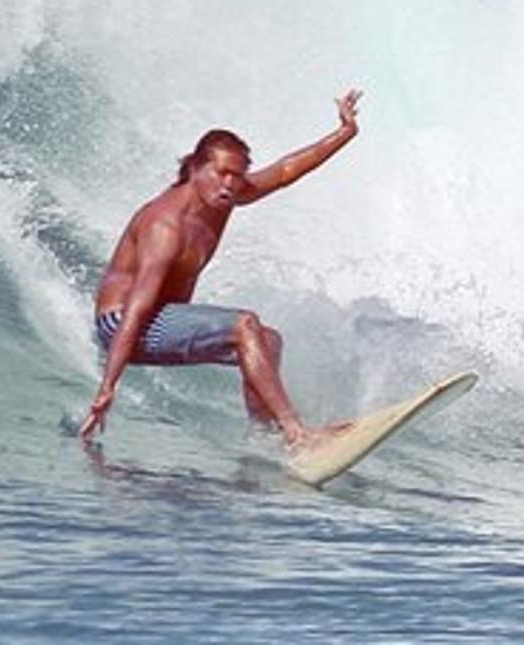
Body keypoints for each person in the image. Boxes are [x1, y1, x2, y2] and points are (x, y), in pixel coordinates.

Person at [79, 89, 363, 447]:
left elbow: (284, 171)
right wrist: (108, 387)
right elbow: (137, 306)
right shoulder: (165, 226)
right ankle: (297, 433)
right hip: (123, 323)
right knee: (245, 325)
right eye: (221, 173)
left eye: (237, 176)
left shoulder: (223, 196)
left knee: (268, 341)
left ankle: (266, 436)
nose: (230, 184)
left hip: (162, 317)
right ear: (195, 168)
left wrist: (344, 132)